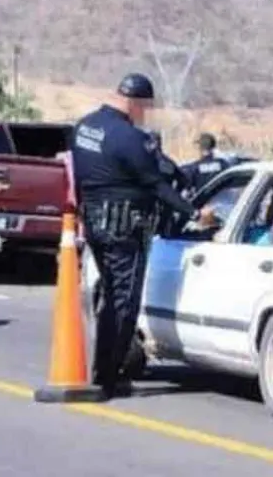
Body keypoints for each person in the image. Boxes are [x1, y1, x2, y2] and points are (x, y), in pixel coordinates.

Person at [70, 73, 214, 398]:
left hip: (94, 221)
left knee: (108, 295)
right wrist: (194, 213)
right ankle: (108, 376)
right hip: (124, 225)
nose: (144, 114)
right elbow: (157, 185)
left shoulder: (84, 128)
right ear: (135, 102)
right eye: (144, 107)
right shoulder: (129, 138)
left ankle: (102, 367)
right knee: (124, 301)